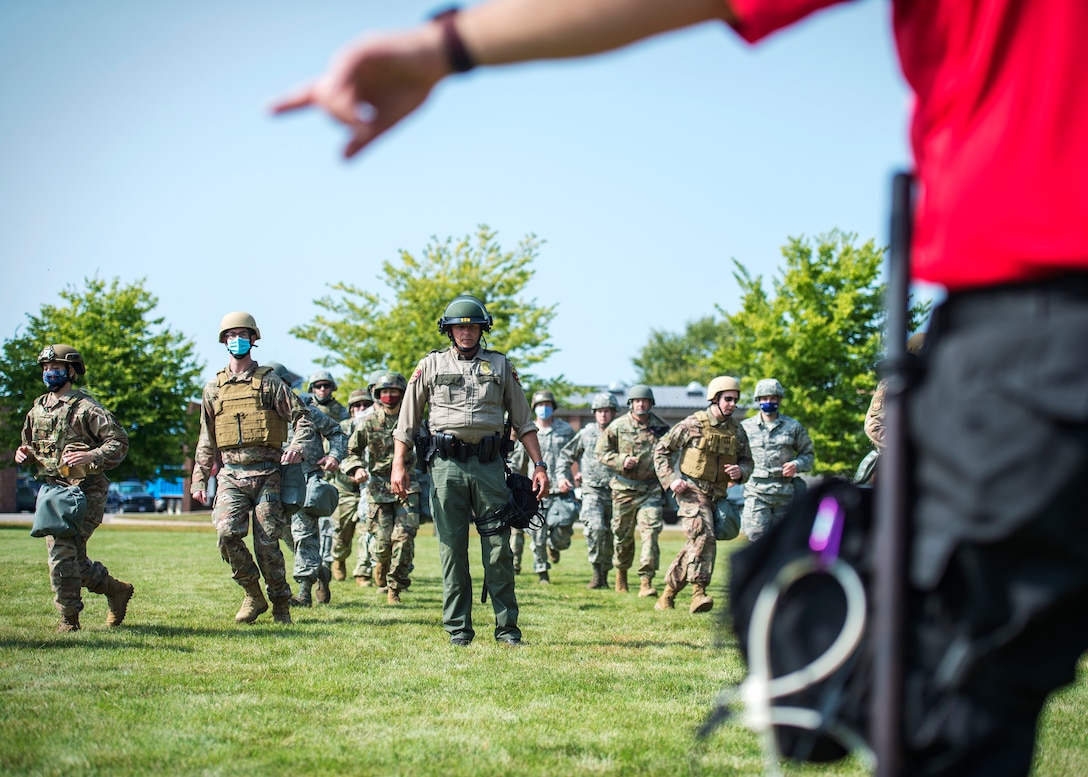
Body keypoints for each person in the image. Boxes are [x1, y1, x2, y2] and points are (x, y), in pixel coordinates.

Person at [276, 3, 1088, 773]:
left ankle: (521, 618)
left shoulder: (503, 370)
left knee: (960, 687)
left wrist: (443, 47)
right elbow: (426, 418)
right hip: (1028, 315)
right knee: (960, 672)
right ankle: (467, 628)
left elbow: (529, 422)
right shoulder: (427, 373)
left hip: (1027, 320)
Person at [391, 294, 549, 646]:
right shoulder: (430, 366)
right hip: (445, 469)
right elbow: (407, 421)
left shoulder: (501, 366)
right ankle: (458, 630)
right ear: (449, 331)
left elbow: (524, 422)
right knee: (452, 549)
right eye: (459, 326)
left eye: (472, 326)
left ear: (482, 329)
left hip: (490, 468)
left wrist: (539, 465)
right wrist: (398, 464)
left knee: (498, 550)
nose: (466, 332)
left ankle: (507, 629)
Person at [191, 312, 316, 625]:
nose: (236, 340)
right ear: (224, 341)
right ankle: (252, 594)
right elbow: (206, 437)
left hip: (268, 475)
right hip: (231, 475)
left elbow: (303, 418)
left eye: (242, 334)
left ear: (254, 339)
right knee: (226, 534)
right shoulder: (213, 389)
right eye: (230, 335)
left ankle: (281, 605)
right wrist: (199, 479)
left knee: (268, 544)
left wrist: (297, 447)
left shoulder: (270, 383)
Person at [15, 344, 133, 632]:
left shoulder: (86, 408)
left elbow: (119, 442)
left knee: (62, 552)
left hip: (86, 491)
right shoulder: (38, 408)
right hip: (53, 492)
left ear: (71, 372)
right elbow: (31, 444)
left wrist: (91, 455)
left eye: (56, 368)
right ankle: (115, 589)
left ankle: (69, 620)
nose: (49, 373)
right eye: (45, 368)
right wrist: (25, 454)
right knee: (72, 559)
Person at [653, 376, 753, 614]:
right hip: (691, 491)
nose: (731, 404)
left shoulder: (737, 431)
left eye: (735, 400)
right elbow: (661, 450)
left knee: (696, 542)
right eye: (727, 399)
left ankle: (667, 594)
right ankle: (698, 594)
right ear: (715, 398)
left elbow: (748, 462)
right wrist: (671, 479)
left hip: (718, 496)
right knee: (704, 536)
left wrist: (741, 472)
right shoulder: (692, 424)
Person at [266, 362, 347, 609]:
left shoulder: (307, 410)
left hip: (305, 479)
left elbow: (337, 433)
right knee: (281, 532)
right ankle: (318, 569)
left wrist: (334, 456)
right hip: (273, 480)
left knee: (303, 533)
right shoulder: (259, 413)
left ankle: (304, 592)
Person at [342, 372, 420, 603]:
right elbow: (351, 451)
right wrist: (356, 469)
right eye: (384, 392)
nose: (389, 396)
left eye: (394, 391)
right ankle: (382, 573)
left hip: (408, 486)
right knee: (382, 542)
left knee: (404, 537)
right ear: (377, 394)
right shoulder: (368, 422)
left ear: (402, 394)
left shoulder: (414, 421)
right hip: (377, 488)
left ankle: (395, 586)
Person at [594, 384, 669, 597]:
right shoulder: (617, 426)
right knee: (622, 536)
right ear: (631, 404)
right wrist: (621, 460)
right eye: (637, 401)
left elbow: (672, 453)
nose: (641, 404)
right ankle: (621, 574)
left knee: (651, 533)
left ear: (651, 403)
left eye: (645, 401)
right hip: (623, 490)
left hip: (651, 490)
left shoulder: (661, 428)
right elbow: (601, 451)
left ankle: (646, 581)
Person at [512, 389, 575, 584]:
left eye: (547, 405)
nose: (544, 408)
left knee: (562, 536)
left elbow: (577, 454)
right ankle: (542, 573)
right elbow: (518, 461)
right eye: (540, 405)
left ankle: (554, 546)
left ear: (553, 407)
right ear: (534, 408)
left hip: (561, 490)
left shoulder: (566, 430)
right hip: (536, 491)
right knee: (537, 534)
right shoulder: (528, 432)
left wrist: (578, 474)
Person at [739, 378, 814, 543]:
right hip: (756, 493)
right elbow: (736, 457)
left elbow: (808, 455)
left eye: (773, 398)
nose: (769, 402)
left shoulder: (793, 427)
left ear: (779, 399)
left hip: (785, 494)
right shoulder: (745, 427)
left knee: (784, 542)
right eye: (765, 398)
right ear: (758, 400)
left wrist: (797, 464)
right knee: (755, 539)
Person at [557, 391, 619, 589]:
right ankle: (595, 572)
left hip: (617, 492)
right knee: (595, 528)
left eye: (607, 411)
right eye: (600, 411)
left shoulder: (621, 432)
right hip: (591, 490)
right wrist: (561, 476)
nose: (603, 415)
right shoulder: (586, 433)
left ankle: (605, 574)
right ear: (594, 413)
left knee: (611, 535)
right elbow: (566, 455)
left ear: (613, 413)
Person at [331, 388, 371, 585]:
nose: (361, 408)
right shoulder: (342, 428)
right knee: (341, 533)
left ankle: (362, 573)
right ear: (351, 409)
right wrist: (352, 470)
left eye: (366, 405)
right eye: (357, 405)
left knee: (366, 531)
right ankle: (338, 559)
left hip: (369, 490)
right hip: (345, 489)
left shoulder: (375, 426)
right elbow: (335, 454)